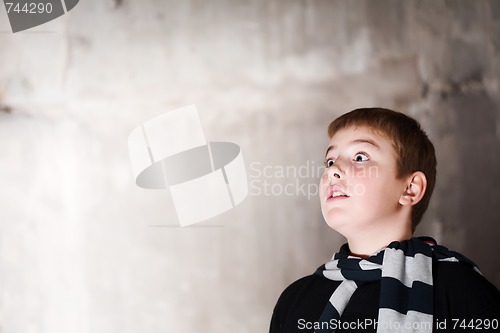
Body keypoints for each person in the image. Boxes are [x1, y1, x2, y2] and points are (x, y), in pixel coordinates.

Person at [269, 108, 500, 332]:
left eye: (360, 157)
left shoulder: (460, 290)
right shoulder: (294, 300)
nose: (333, 171)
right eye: (329, 161)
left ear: (410, 189)